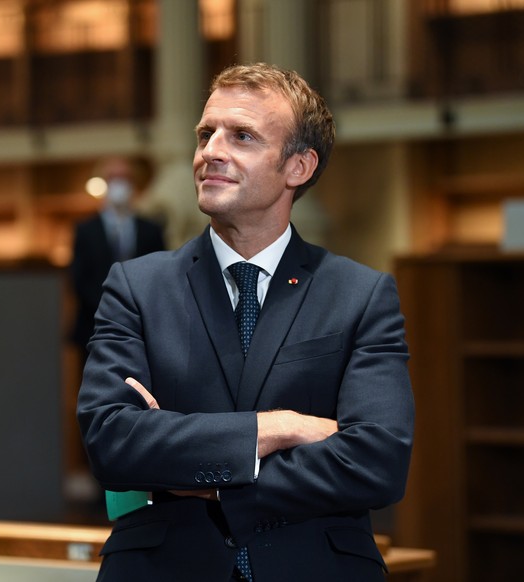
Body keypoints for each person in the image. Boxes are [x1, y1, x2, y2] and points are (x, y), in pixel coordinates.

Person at [76, 63, 414, 581]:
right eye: (205, 133)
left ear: (297, 167)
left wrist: (207, 473)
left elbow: (375, 461)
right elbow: (113, 440)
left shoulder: (360, 294)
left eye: (242, 136)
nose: (211, 150)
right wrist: (279, 427)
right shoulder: (136, 287)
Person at [70, 157, 166, 364]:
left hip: (141, 325)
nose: (119, 184)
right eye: (113, 178)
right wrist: (109, 307)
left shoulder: (151, 230)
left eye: (125, 178)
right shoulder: (85, 230)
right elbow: (79, 278)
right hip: (93, 325)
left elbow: (159, 275)